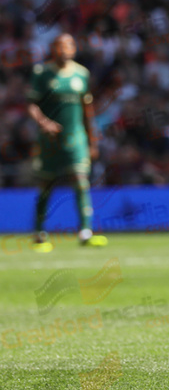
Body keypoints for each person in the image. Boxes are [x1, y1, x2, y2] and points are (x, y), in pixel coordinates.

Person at [27, 34, 106, 251]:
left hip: (76, 137)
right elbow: (32, 105)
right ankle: (39, 233)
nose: (65, 49)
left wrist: (93, 140)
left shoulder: (81, 73)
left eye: (69, 45)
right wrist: (44, 123)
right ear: (53, 49)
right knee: (46, 185)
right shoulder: (42, 73)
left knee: (81, 180)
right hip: (49, 140)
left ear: (74, 48)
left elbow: (87, 109)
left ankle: (85, 232)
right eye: (60, 45)